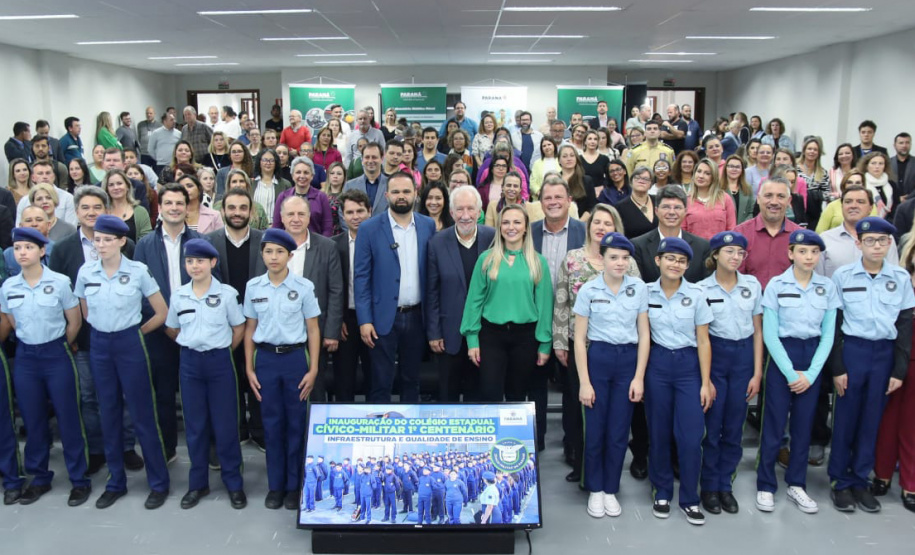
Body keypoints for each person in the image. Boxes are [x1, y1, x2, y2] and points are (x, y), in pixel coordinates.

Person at [74, 215, 170, 510]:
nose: (101, 245)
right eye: (97, 240)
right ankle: (115, 481)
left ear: (121, 241)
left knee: (143, 413)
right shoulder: (86, 272)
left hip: (130, 344)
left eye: (107, 240)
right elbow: (86, 312)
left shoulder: (138, 271)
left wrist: (137, 332)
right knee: (108, 412)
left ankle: (159, 482)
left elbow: (161, 312)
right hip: (100, 345)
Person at [49, 186, 143, 479]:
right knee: (89, 397)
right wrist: (70, 335)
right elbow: (59, 297)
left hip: (120, 336)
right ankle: (98, 450)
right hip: (83, 339)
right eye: (85, 208)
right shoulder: (62, 248)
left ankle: (126, 446)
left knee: (122, 395)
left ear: (107, 211)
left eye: (97, 207)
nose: (91, 212)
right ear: (76, 212)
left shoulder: (125, 245)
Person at [827, 217, 914, 513]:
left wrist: (899, 370)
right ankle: (840, 481)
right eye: (869, 241)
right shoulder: (843, 276)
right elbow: (834, 325)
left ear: (890, 244)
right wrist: (838, 367)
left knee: (871, 420)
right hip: (853, 351)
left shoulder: (900, 278)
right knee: (845, 419)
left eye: (882, 241)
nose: (876, 246)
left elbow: (904, 326)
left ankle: (860, 480)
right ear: (858, 243)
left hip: (884, 354)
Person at [0, 227, 90, 506]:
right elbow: (11, 321)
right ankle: (39, 477)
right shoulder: (9, 287)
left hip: (56, 353)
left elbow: (74, 321)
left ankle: (79, 479)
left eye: (28, 247)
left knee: (68, 416)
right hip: (26, 357)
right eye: (18, 248)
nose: (22, 253)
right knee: (33, 418)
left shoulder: (60, 282)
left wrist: (61, 344)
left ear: (42, 251)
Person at [756, 229, 839, 515]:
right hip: (782, 358)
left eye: (814, 252)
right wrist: (792, 374)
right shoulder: (777, 285)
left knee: (804, 427)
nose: (809, 257)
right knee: (774, 425)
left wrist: (812, 374)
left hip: (812, 357)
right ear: (791, 253)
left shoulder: (827, 287)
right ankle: (766, 485)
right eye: (802, 251)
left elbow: (828, 335)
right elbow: (770, 334)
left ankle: (796, 484)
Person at [554, 204, 639, 482]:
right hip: (578, 344)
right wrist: (559, 341)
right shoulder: (573, 259)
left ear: (616, 228)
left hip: (616, 348)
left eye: (608, 223)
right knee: (578, 404)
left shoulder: (627, 262)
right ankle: (579, 462)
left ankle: (606, 470)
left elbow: (637, 304)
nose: (601, 227)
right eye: (597, 222)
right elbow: (561, 300)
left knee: (611, 413)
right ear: (588, 227)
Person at [163, 239, 247, 510]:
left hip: (219, 362)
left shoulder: (227, 294)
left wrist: (221, 350)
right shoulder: (179, 295)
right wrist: (193, 344)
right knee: (195, 426)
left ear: (212, 263)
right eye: (189, 261)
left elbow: (239, 328)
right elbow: (172, 328)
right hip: (190, 363)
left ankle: (233, 482)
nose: (194, 266)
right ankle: (197, 483)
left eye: (200, 261)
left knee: (226, 424)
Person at [243, 228, 322, 510]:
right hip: (265, 360)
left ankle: (293, 485)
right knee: (272, 423)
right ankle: (276, 486)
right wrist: (249, 368)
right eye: (268, 251)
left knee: (296, 423)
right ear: (262, 254)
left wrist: (313, 369)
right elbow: (250, 329)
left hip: (294, 360)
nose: (273, 257)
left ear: (290, 256)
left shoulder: (303, 287)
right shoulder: (254, 287)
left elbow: (313, 330)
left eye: (280, 252)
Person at [572, 231, 649, 518]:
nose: (620, 263)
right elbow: (580, 339)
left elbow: (644, 334)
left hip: (628, 360)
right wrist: (584, 382)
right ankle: (595, 488)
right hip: (599, 359)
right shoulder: (589, 290)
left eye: (625, 258)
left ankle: (610, 488)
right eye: (614, 257)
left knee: (619, 429)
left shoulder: (638, 288)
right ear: (601, 258)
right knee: (595, 429)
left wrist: (639, 377)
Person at [135, 184, 210, 463]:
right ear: (160, 207)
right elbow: (139, 291)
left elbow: (212, 284)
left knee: (200, 397)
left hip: (196, 330)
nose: (175, 208)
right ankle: (166, 449)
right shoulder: (144, 245)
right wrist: (167, 324)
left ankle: (206, 451)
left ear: (187, 207)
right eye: (169, 203)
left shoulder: (201, 241)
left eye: (180, 203)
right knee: (163, 395)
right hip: (160, 332)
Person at [644, 237, 713, 526]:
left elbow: (703, 339)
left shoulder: (696, 294)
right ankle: (661, 492)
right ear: (658, 261)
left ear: (687, 265)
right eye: (670, 258)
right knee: (659, 432)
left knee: (690, 436)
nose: (675, 264)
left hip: (688, 367)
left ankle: (689, 498)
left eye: (682, 261)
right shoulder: (644, 293)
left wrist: (705, 382)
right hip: (657, 364)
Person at [354, 172, 435, 402]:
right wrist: (364, 320)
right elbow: (361, 278)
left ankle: (410, 424)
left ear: (416, 194)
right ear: (387, 195)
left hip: (417, 317)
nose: (401, 196)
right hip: (382, 318)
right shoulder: (369, 229)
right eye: (396, 192)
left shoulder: (428, 225)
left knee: (412, 380)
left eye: (406, 191)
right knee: (381, 382)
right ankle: (380, 425)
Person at [697, 231, 763, 516]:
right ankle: (709, 486)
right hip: (716, 357)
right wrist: (706, 379)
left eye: (740, 253)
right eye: (729, 252)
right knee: (712, 427)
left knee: (735, 427)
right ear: (715, 255)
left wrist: (757, 373)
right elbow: (702, 337)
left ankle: (726, 484)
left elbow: (758, 331)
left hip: (743, 358)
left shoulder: (752, 286)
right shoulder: (701, 290)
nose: (736, 257)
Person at [461, 203, 553, 402]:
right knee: (489, 393)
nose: (511, 227)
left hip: (526, 338)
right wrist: (472, 340)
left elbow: (545, 307)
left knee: (517, 396)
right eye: (506, 222)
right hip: (491, 336)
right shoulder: (486, 260)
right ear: (499, 227)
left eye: (517, 222)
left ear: (526, 227)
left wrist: (545, 344)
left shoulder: (538, 262)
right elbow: (474, 301)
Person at [207, 187, 267, 449]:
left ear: (251, 212)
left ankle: (259, 429)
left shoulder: (265, 241)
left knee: (257, 378)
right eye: (231, 207)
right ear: (222, 211)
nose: (237, 213)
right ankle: (238, 428)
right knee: (229, 381)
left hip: (259, 323)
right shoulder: (209, 242)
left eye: (243, 207)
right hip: (223, 325)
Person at [426, 186, 496, 402]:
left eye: (470, 209)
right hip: (449, 334)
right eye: (460, 209)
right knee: (448, 395)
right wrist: (434, 332)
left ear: (479, 211)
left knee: (481, 397)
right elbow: (432, 292)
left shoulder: (493, 238)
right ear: (451, 212)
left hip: (485, 333)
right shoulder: (437, 243)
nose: (465, 215)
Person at [280, 195, 344, 403]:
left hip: (315, 332)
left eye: (301, 214)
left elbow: (336, 291)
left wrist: (332, 332)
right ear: (282, 217)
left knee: (315, 390)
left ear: (309, 217)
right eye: (290, 214)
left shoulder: (327, 247)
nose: (296, 219)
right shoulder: (271, 246)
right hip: (279, 333)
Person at [874, 231, 915, 513]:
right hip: (896, 349)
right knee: (887, 417)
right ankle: (882, 473)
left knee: (912, 422)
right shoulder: (899, 276)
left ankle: (910, 482)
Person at [332, 190, 373, 402]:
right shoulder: (333, 245)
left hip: (374, 320)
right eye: (350, 212)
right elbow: (330, 287)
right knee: (344, 379)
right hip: (345, 320)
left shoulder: (381, 242)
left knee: (374, 377)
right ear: (343, 215)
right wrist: (336, 320)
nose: (355, 216)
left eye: (360, 211)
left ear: (369, 212)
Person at [735, 177, 804, 289]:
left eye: (781, 196)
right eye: (768, 196)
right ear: (758, 199)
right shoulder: (740, 234)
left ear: (789, 201)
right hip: (749, 297)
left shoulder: (801, 237)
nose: (774, 202)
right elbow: (733, 278)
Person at [272, 156, 332, 236]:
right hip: (288, 242)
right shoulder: (283, 197)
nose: (302, 176)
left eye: (306, 173)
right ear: (292, 175)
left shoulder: (321, 197)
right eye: (298, 172)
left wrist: (321, 243)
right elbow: (276, 226)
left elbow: (327, 227)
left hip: (315, 242)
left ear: (312, 176)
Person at [683, 158, 736, 240]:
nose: (701, 176)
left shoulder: (725, 199)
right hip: (693, 247)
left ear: (714, 177)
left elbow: (731, 229)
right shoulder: (686, 200)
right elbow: (683, 231)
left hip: (719, 247)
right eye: (699, 171)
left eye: (707, 173)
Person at [102, 170, 152, 242]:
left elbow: (146, 241)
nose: (116, 187)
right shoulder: (102, 212)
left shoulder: (141, 212)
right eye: (111, 185)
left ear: (127, 186)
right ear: (107, 189)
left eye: (119, 183)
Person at [722, 155, 756, 224]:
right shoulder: (718, 188)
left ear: (742, 170)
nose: (734, 169)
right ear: (725, 168)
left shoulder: (748, 188)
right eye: (731, 166)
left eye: (737, 167)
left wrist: (743, 226)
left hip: (744, 227)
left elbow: (751, 211)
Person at [891, 132, 914, 198]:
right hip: (893, 201)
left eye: (907, 143)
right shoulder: (887, 163)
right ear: (894, 145)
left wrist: (908, 197)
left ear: (910, 145)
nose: (904, 146)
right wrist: (897, 198)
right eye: (901, 143)